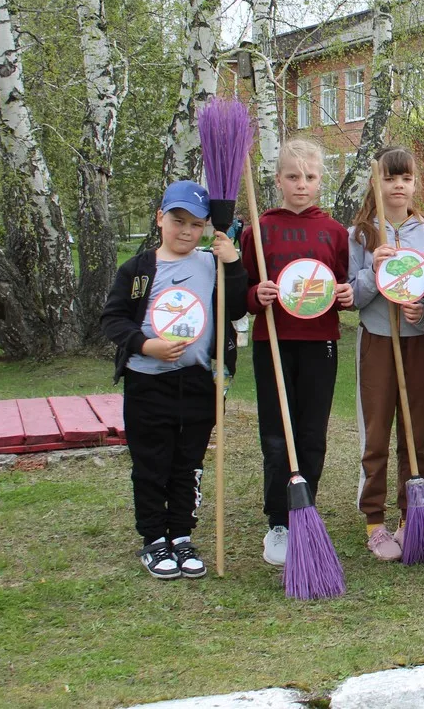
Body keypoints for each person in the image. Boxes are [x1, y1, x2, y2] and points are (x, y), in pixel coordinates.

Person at [101, 180, 247, 579]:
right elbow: (112, 319)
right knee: (152, 464)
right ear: (159, 218)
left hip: (198, 382)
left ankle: (181, 535)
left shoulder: (210, 263)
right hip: (147, 383)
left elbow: (236, 308)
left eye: (196, 224)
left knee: (188, 464)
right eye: (178, 220)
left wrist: (233, 263)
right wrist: (146, 346)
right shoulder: (138, 270)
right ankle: (154, 540)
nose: (186, 231)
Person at [240, 138, 353, 567]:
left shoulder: (334, 232)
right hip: (274, 342)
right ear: (278, 180)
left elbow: (341, 283)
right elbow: (241, 293)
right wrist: (256, 294)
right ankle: (279, 520)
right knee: (275, 434)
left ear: (320, 180)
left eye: (309, 177)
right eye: (293, 177)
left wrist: (344, 295)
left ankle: (306, 508)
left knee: (311, 432)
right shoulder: (258, 228)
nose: (301, 185)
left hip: (319, 344)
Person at [348, 146, 424, 561]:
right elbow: (350, 297)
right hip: (377, 340)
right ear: (376, 182)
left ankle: (411, 515)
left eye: (405, 178)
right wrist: (374, 269)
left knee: (415, 433)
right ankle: (373, 518)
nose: (398, 186)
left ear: (415, 183)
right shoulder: (362, 235)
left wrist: (422, 313)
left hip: (415, 342)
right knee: (377, 432)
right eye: (390, 178)